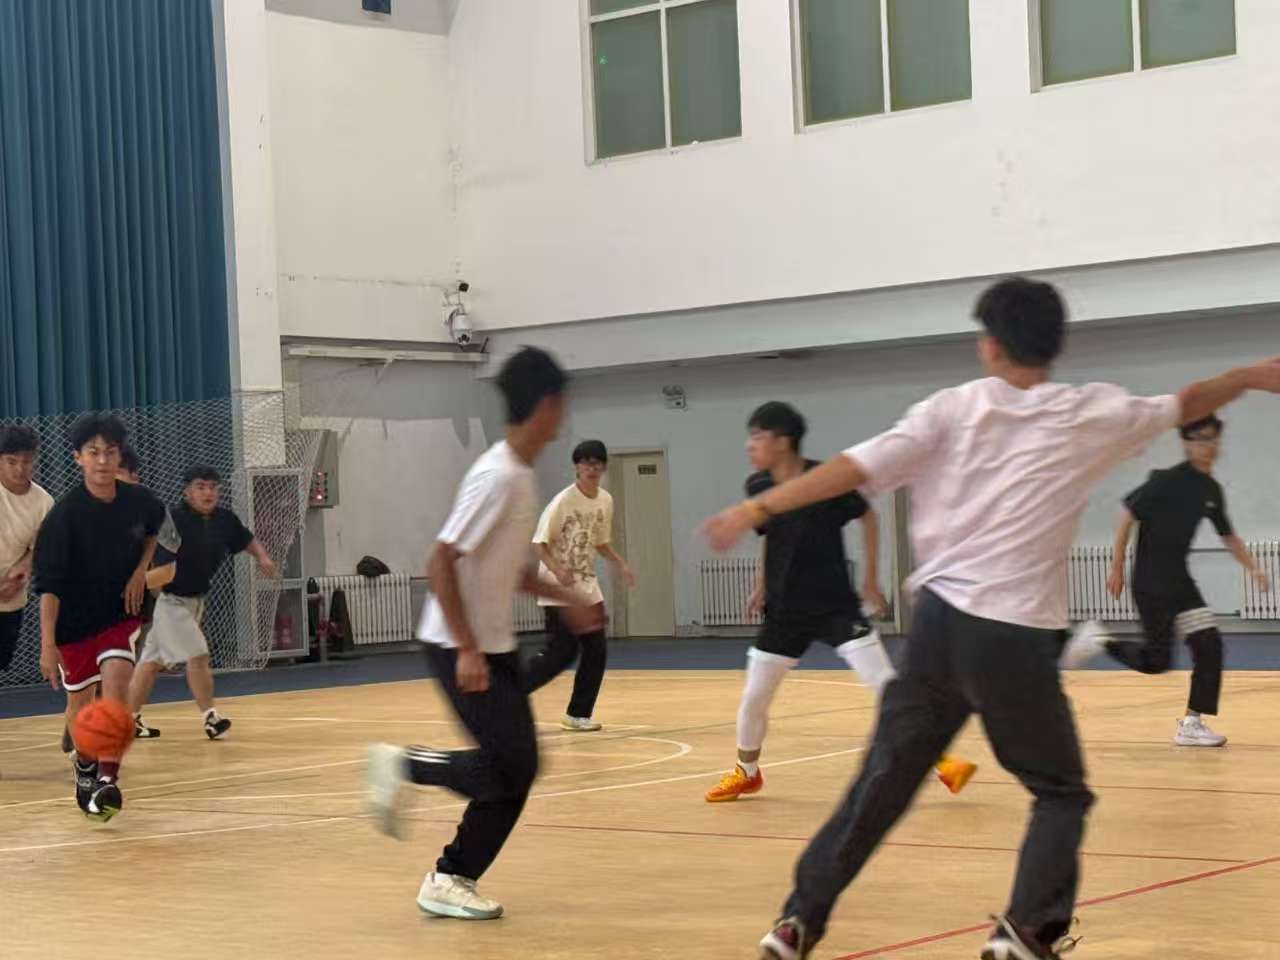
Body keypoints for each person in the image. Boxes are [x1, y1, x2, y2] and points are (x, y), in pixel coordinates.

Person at [699, 277, 1280, 960]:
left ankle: (797, 922)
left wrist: (757, 507)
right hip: (1014, 637)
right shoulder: (1092, 412)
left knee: (882, 784)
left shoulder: (950, 409)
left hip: (937, 629)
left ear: (991, 346)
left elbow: (852, 468)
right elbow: (1187, 401)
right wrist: (1249, 376)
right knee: (1059, 791)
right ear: (1054, 345)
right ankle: (1025, 933)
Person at [365, 347, 601, 921]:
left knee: (517, 768)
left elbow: (502, 565)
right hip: (458, 644)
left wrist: (565, 596)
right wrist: (467, 648)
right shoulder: (498, 476)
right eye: (562, 403)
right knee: (511, 765)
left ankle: (451, 877)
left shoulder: (519, 476)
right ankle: (406, 770)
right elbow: (442, 560)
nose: (564, 414)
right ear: (546, 405)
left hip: (491, 644)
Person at [704, 402, 975, 804]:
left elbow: (868, 517)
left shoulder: (827, 480)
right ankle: (746, 773)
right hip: (784, 611)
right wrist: (761, 585)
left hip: (835, 605)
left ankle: (941, 761)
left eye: (757, 436)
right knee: (754, 697)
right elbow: (770, 538)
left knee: (884, 685)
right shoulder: (757, 486)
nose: (749, 445)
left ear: (783, 441)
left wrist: (870, 578)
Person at [1066, 415, 1270, 748]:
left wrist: (1253, 568)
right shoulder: (1166, 480)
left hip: (1180, 582)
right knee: (1156, 662)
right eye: (1201, 438)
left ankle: (1191, 723)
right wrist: (1116, 567)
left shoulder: (1211, 490)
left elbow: (1228, 535)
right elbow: (1128, 515)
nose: (1209, 446)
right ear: (1187, 443)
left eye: (1213, 438)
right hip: (1151, 582)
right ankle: (1101, 640)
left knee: (1209, 645)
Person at [34, 414, 166, 821]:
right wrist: (47, 644)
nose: (103, 460)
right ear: (78, 458)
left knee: (116, 683)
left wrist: (141, 569)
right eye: (93, 452)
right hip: (73, 624)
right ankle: (86, 764)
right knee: (80, 707)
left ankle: (108, 778)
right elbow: (49, 587)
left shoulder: (141, 501)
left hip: (119, 616)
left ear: (120, 455)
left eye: (110, 452)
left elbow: (156, 532)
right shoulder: (64, 516)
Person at [127, 465, 275, 740]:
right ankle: (210, 718)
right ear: (187, 492)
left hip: (196, 601)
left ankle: (127, 720)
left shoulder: (225, 520)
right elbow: (157, 563)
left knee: (150, 662)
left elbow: (246, 539)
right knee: (198, 655)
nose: (208, 493)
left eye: (212, 487)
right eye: (200, 487)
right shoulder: (173, 520)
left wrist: (263, 557)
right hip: (171, 602)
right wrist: (150, 589)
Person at [524, 439, 633, 732]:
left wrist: (620, 563)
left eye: (597, 463)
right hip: (557, 588)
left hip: (586, 587)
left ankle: (578, 714)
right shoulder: (563, 501)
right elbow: (539, 543)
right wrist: (557, 570)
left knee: (596, 651)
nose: (591, 468)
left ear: (604, 467)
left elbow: (600, 541)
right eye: (586, 463)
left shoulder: (605, 500)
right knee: (560, 653)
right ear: (577, 467)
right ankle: (510, 693)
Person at [0, 427, 55, 676]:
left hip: (9, 599)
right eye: (12, 461)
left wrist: (22, 569)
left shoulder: (44, 503)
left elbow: (40, 549)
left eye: (27, 461)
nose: (20, 469)